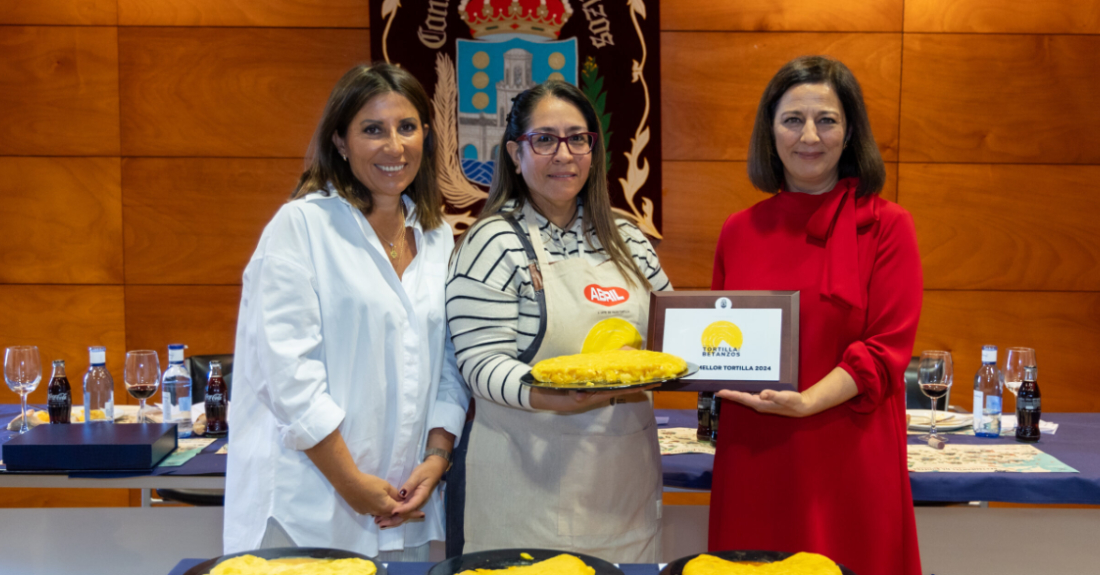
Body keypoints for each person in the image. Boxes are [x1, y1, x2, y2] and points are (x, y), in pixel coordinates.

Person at [224, 63, 469, 560]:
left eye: (407, 128)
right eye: (372, 130)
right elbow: (288, 376)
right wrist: (350, 481)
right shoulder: (300, 227)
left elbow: (450, 359)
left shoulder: (438, 234)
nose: (394, 147)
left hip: (405, 504)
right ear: (339, 141)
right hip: (309, 507)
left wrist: (437, 456)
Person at [709, 56, 923, 575]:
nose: (810, 135)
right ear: (770, 131)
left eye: (827, 120)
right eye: (792, 119)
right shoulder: (738, 230)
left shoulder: (889, 226)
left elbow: (885, 350)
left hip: (848, 447)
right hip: (754, 449)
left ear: (850, 133)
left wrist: (807, 402)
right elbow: (717, 342)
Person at [446, 80, 672, 563]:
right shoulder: (491, 243)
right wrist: (551, 394)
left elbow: (670, 333)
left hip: (622, 491)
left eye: (577, 138)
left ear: (593, 148)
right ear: (514, 152)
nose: (563, 154)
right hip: (528, 488)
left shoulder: (629, 239)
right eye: (544, 139)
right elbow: (478, 362)